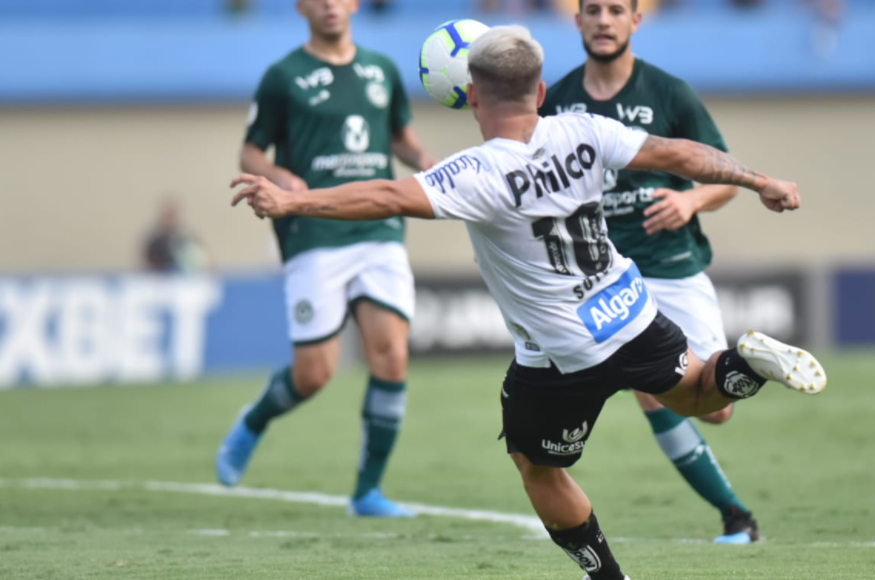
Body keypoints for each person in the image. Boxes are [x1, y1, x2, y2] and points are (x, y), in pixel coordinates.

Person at [230, 26, 826, 580]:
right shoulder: (583, 128)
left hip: (562, 354)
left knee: (536, 465)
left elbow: (385, 194)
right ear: (541, 91)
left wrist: (291, 203)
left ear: (469, 97)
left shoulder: (476, 172)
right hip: (632, 310)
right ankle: (746, 366)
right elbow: (680, 155)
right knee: (699, 393)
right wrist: (760, 181)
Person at [539, 0, 757, 543]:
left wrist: (691, 204)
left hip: (671, 265)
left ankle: (749, 365)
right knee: (649, 388)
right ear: (578, 21)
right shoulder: (557, 102)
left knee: (716, 412)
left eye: (617, 10)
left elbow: (724, 177)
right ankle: (736, 516)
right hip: (600, 278)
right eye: (594, 10)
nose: (604, 20)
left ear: (637, 21)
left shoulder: (669, 93)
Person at [215, 0, 436, 518]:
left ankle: (367, 492)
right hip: (313, 229)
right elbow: (250, 150)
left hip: (378, 226)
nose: (330, 5)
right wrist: (282, 178)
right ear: (301, 7)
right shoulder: (283, 76)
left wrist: (427, 164)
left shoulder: (381, 69)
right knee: (315, 374)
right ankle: (254, 421)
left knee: (392, 356)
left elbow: (399, 135)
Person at [143, 198, 211, 274]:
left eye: (173, 216)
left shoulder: (189, 239)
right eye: (168, 216)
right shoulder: (155, 243)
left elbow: (202, 261)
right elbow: (149, 264)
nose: (170, 220)